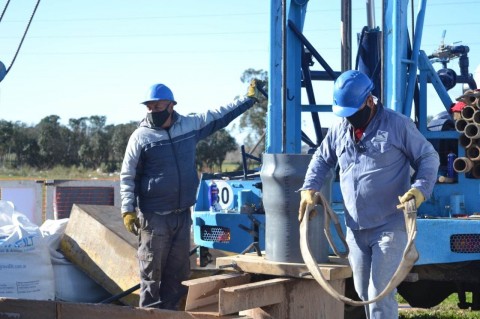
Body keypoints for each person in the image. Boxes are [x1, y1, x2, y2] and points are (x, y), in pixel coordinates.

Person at [298, 70, 439, 319]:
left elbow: (428, 156)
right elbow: (321, 159)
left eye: (353, 111)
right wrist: (310, 187)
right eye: (345, 113)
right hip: (355, 229)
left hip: (389, 226)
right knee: (365, 294)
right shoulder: (339, 129)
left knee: (379, 296)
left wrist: (420, 189)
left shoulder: (398, 125)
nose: (350, 118)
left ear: (369, 100)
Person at [120, 79, 263, 310]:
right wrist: (127, 210)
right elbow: (127, 175)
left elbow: (218, 115)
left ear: (171, 105)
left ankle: (171, 315)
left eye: (157, 106)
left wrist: (247, 100)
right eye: (149, 107)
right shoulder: (140, 137)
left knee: (177, 277)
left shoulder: (189, 126)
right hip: (154, 218)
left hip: (182, 215)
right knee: (151, 277)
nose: (152, 110)